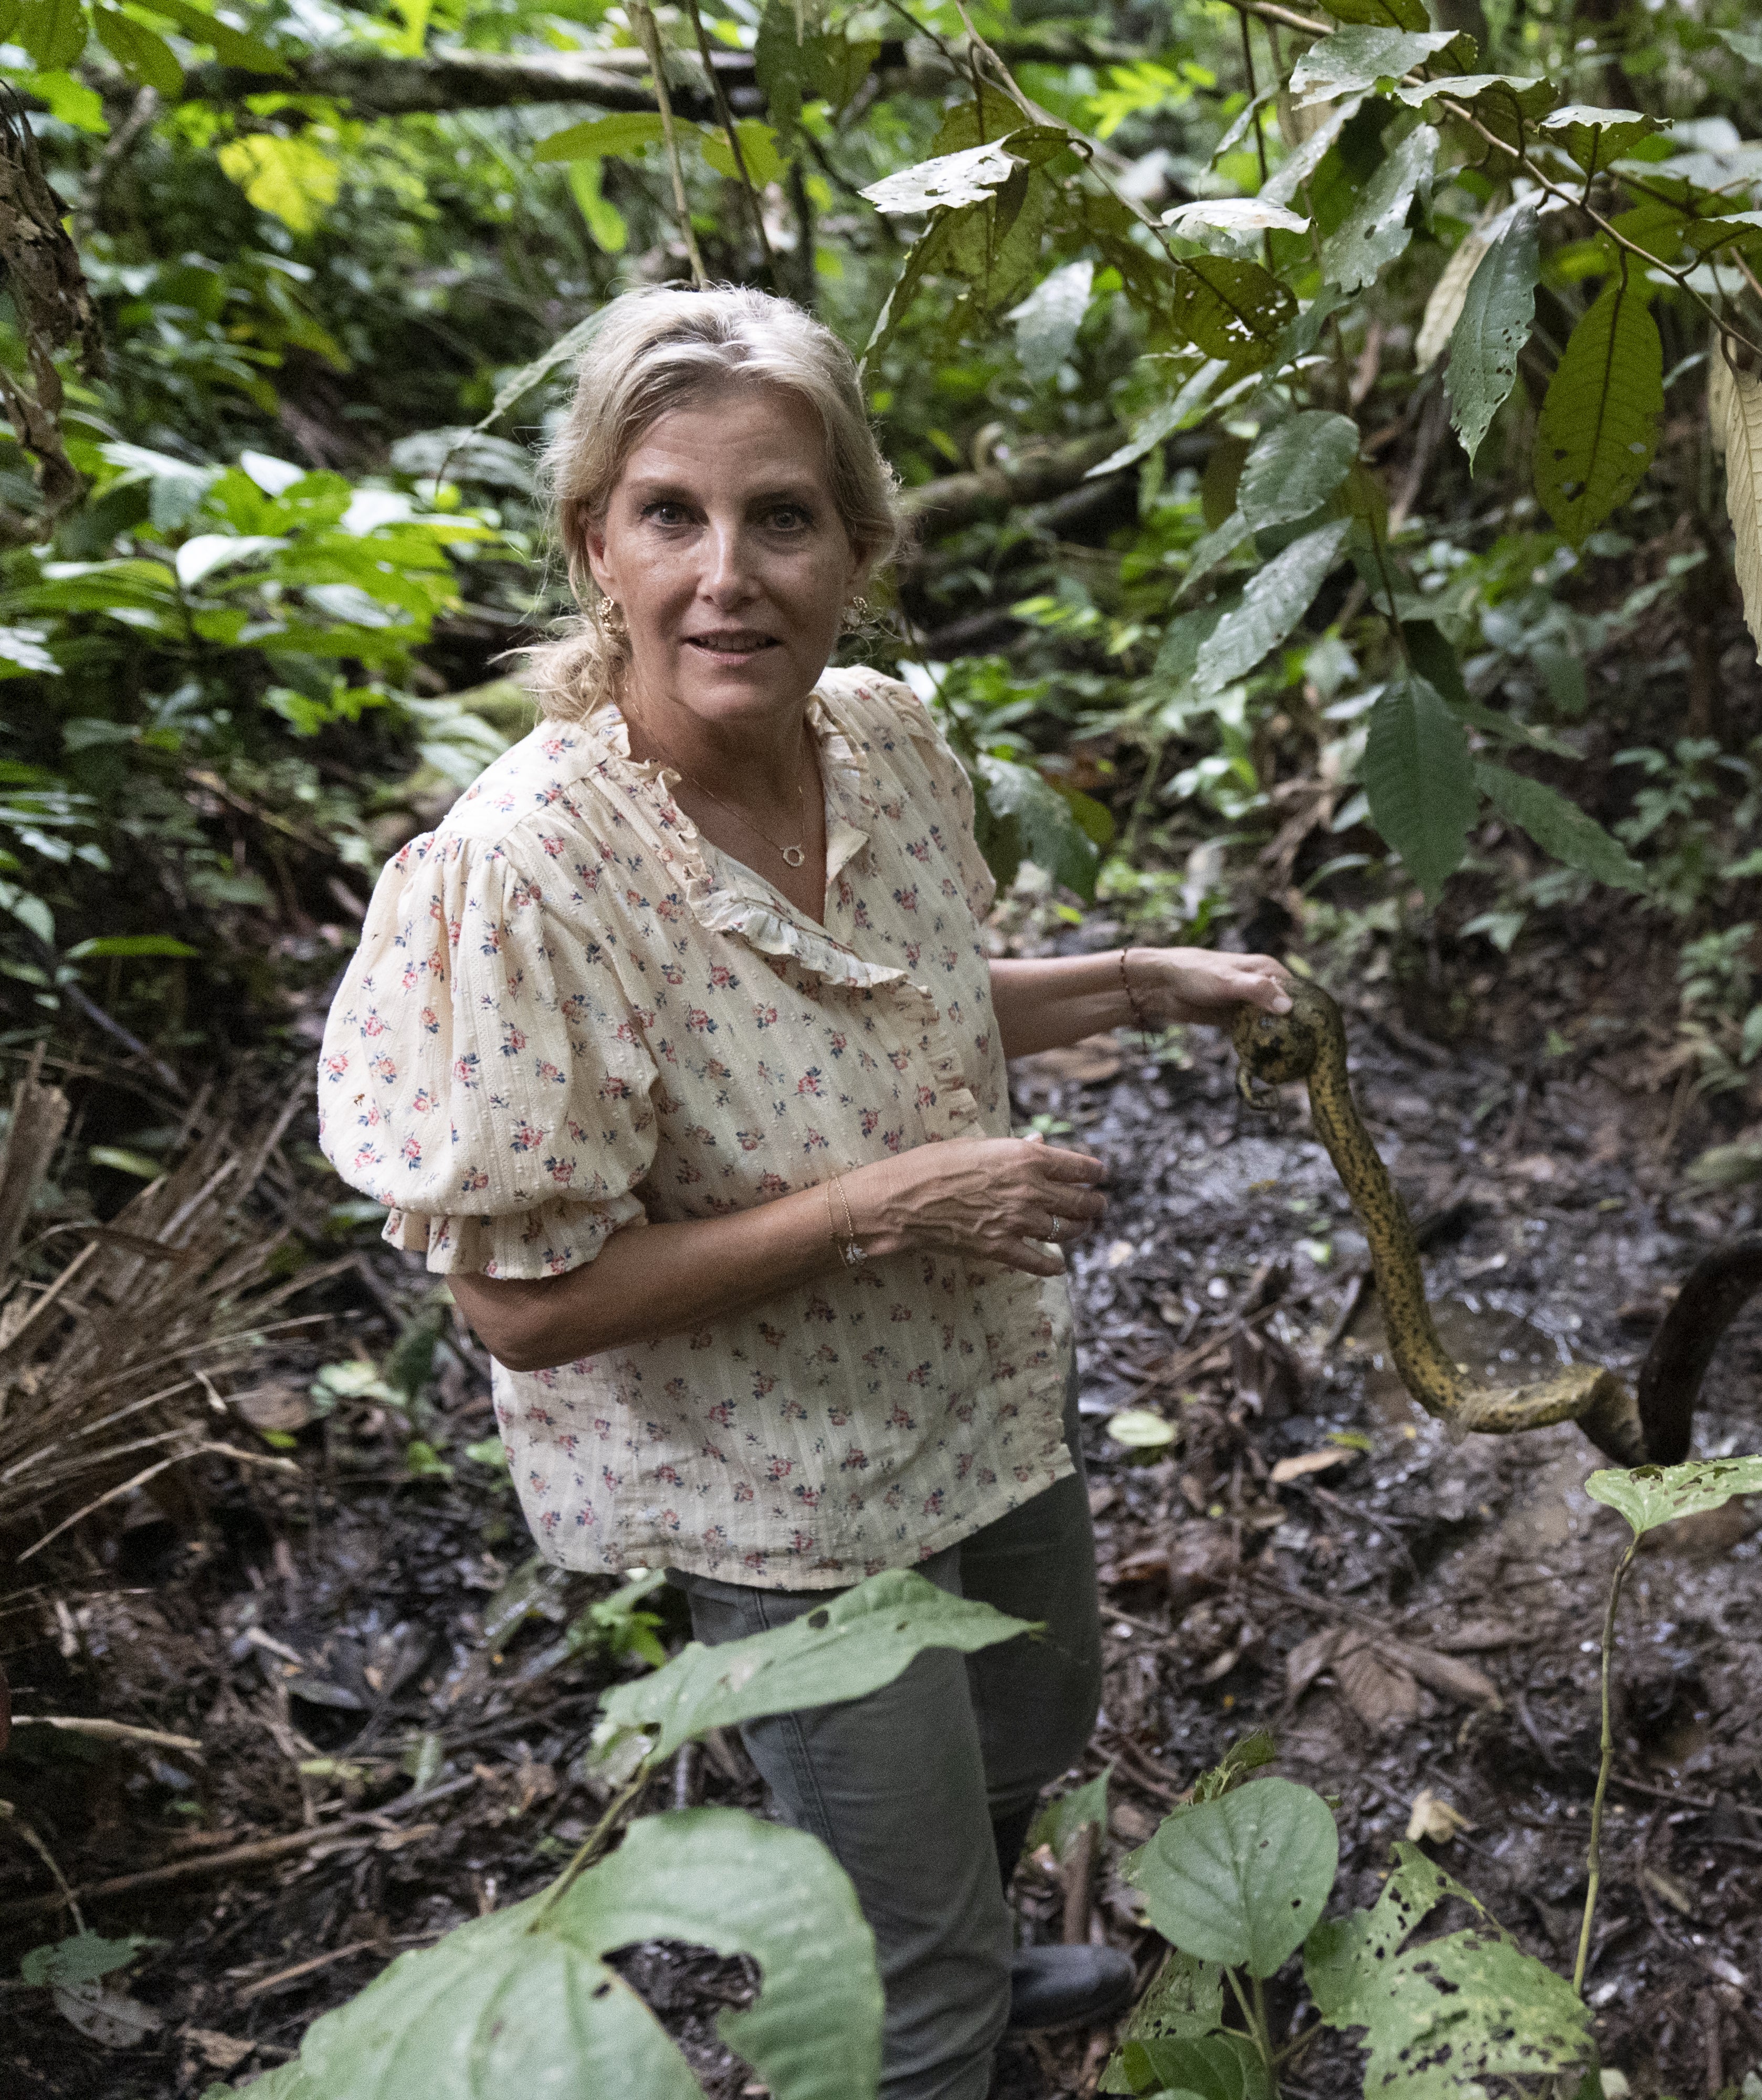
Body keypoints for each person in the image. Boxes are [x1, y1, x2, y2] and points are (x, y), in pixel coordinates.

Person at [316, 285, 1291, 2099]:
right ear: (593, 543)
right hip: (766, 1485)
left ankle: (978, 1946)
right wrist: (889, 1206)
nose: (726, 575)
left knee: (1031, 1724)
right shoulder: (530, 869)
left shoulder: (889, 745)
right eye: (670, 515)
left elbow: (878, 1007)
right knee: (902, 1987)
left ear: (860, 543)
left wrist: (1155, 980)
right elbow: (520, 1302)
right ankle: (945, 1996)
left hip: (970, 1393)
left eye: (782, 517)